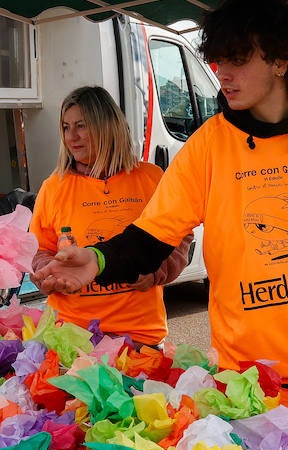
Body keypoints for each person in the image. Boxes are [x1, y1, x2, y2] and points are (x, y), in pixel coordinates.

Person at [34, 0, 288, 395]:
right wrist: (97, 259)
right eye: (218, 60)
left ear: (280, 61)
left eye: (238, 60)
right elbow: (151, 237)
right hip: (246, 378)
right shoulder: (209, 143)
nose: (222, 73)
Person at [30, 86, 189, 346]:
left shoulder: (150, 178)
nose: (72, 137)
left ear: (106, 126)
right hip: (73, 335)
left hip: (139, 336)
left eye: (81, 125)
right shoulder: (54, 186)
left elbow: (179, 236)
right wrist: (49, 275)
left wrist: (158, 271)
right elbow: (39, 251)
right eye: (66, 127)